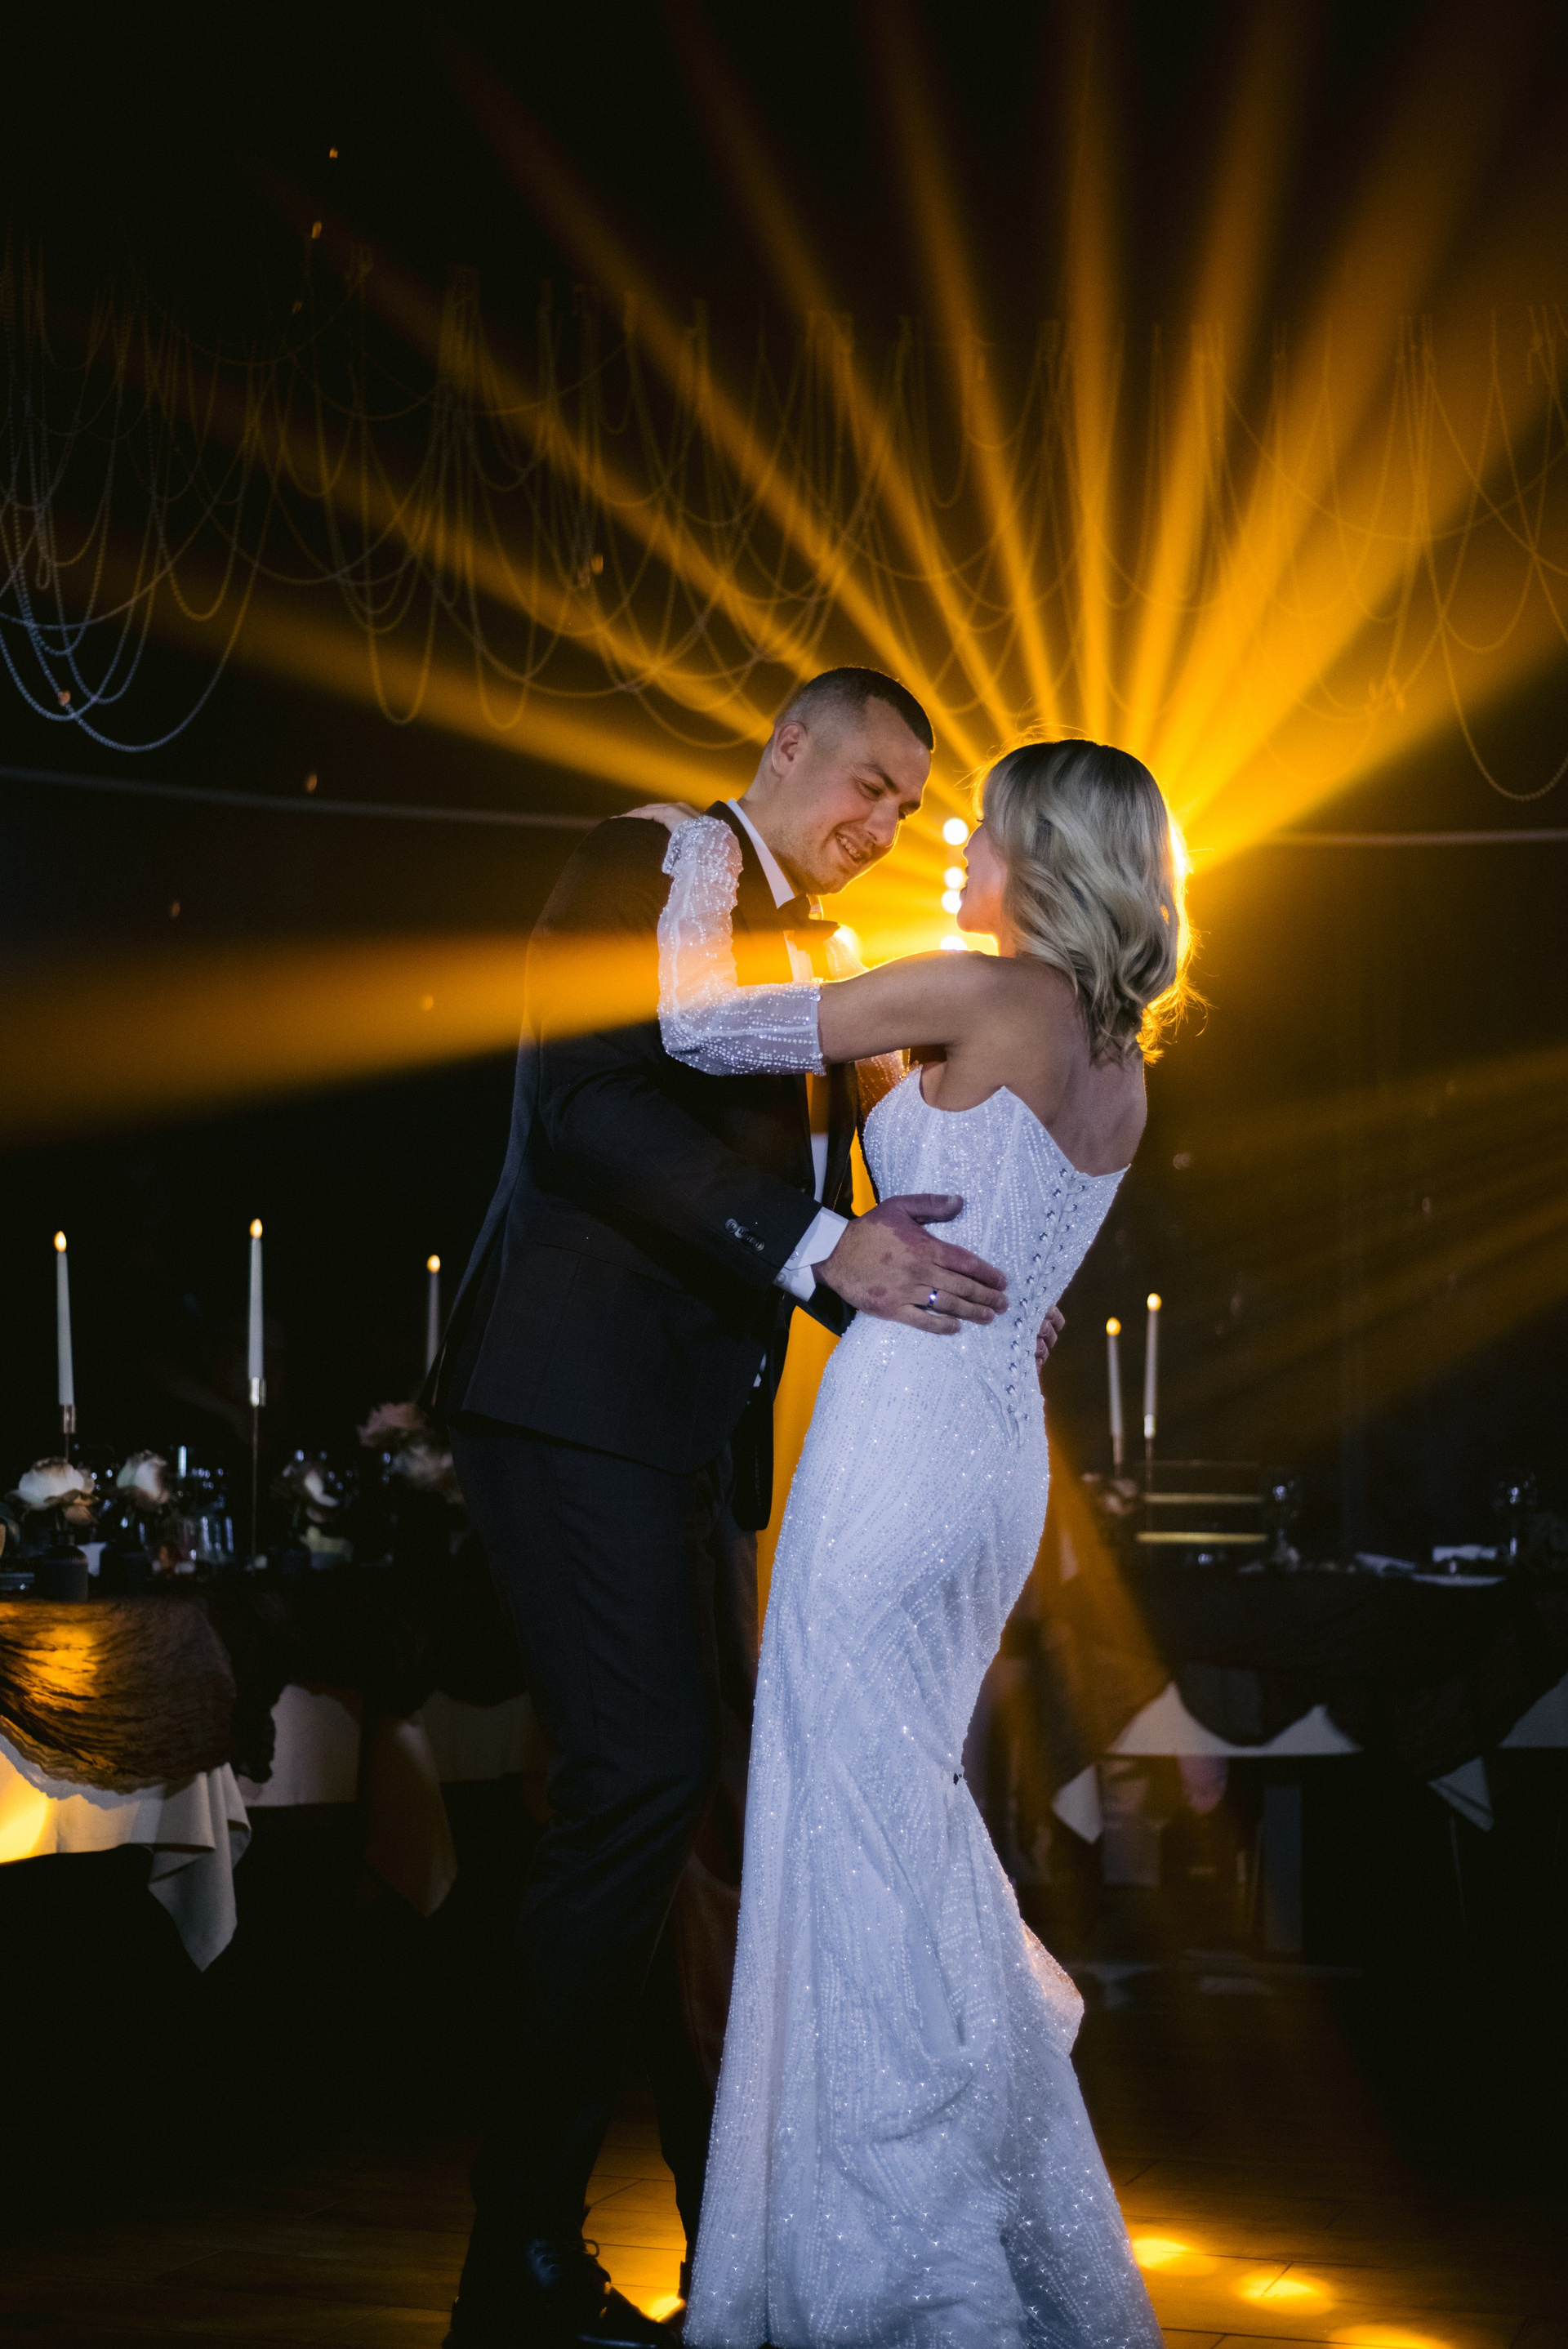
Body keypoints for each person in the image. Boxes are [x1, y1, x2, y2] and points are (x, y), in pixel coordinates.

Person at [430, 668, 1065, 2349]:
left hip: (677, 1437)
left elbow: (859, 1196)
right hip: (569, 1396)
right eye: (866, 782)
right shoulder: (654, 859)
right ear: (787, 747)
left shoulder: (816, 952)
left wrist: (959, 1282)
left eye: (907, 806)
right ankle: (518, 2265)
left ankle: (736, 2238)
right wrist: (821, 1250)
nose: (884, 822)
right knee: (641, 1786)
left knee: (707, 1815)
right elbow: (587, 1105)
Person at [635, 737, 1191, 2349]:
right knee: (894, 1801)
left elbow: (697, 1024)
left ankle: (906, 2250)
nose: (958, 847)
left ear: (1048, 854)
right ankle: (925, 2188)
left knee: (851, 1806)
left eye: (984, 828)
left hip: (898, 1447)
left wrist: (700, 856)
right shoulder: (1112, 1054)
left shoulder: (981, 990)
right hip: (995, 1458)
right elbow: (966, 1175)